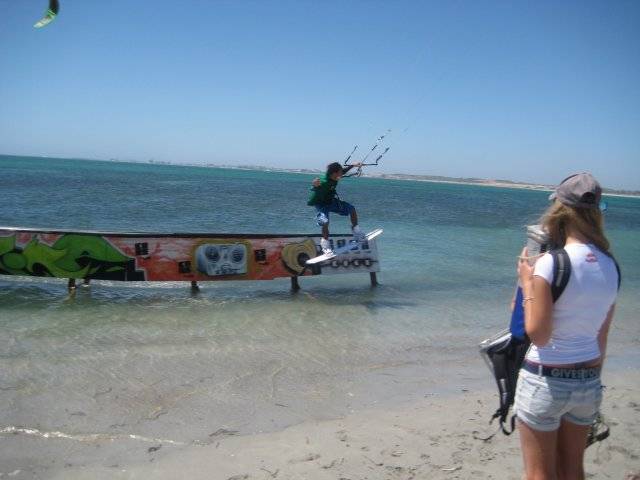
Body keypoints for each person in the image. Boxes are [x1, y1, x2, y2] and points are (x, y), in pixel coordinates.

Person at [514, 173, 619, 480]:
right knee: (572, 470)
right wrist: (591, 380)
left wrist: (526, 283)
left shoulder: (551, 262)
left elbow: (538, 334)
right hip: (588, 380)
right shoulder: (610, 264)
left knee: (539, 474)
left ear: (559, 208)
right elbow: (602, 335)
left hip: (546, 380)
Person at [308, 162, 364, 254]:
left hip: (330, 201)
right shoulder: (323, 181)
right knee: (325, 222)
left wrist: (353, 165)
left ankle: (357, 233)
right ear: (334, 173)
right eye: (340, 173)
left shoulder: (335, 176)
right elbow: (315, 187)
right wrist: (314, 185)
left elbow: (344, 171)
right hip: (320, 204)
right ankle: (325, 246)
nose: (342, 175)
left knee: (352, 209)